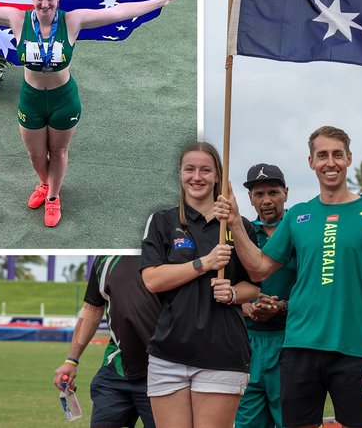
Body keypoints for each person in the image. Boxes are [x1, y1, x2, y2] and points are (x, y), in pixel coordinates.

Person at [0, 0, 176, 227]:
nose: (44, 4)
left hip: (64, 100)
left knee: (59, 150)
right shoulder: (17, 18)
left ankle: (53, 196)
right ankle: (45, 183)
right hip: (30, 99)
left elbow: (117, 12)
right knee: (35, 154)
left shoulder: (73, 21)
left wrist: (158, 1)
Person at [216, 125, 362, 428]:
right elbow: (259, 268)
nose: (330, 162)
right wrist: (236, 221)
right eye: (322, 155)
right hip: (300, 346)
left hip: (355, 348)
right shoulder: (298, 215)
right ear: (311, 162)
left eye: (337, 155)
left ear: (349, 158)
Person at [140, 142, 259, 428]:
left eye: (206, 170)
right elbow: (153, 279)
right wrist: (202, 264)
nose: (197, 177)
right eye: (190, 169)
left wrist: (231, 293)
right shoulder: (162, 221)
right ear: (180, 174)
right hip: (168, 354)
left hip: (222, 353)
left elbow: (254, 285)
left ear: (218, 175)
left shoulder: (237, 225)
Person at [53, 255, 161, 427]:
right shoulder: (106, 258)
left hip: (164, 373)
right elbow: (92, 310)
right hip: (116, 371)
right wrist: (71, 361)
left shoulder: (168, 250)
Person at [235, 163, 296, 428]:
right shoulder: (238, 234)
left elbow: (316, 288)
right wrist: (246, 307)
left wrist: (283, 306)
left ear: (286, 193)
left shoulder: (301, 231)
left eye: (273, 192)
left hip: (291, 340)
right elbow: (223, 285)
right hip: (246, 342)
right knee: (246, 422)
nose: (267, 200)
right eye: (259, 194)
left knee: (291, 420)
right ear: (249, 198)